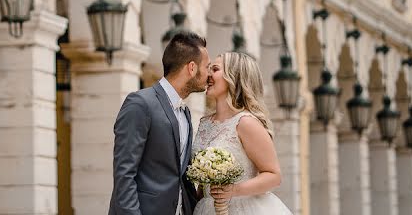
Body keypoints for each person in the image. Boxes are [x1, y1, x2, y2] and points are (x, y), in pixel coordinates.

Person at [108, 31, 210, 215]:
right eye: (207, 67)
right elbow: (124, 174)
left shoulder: (185, 111)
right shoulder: (140, 103)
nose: (209, 74)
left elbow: (181, 176)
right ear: (192, 68)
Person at [192, 51, 292, 215]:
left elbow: (274, 176)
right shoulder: (204, 123)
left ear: (234, 77)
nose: (208, 74)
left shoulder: (246, 122)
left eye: (215, 69)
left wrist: (233, 190)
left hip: (243, 208)